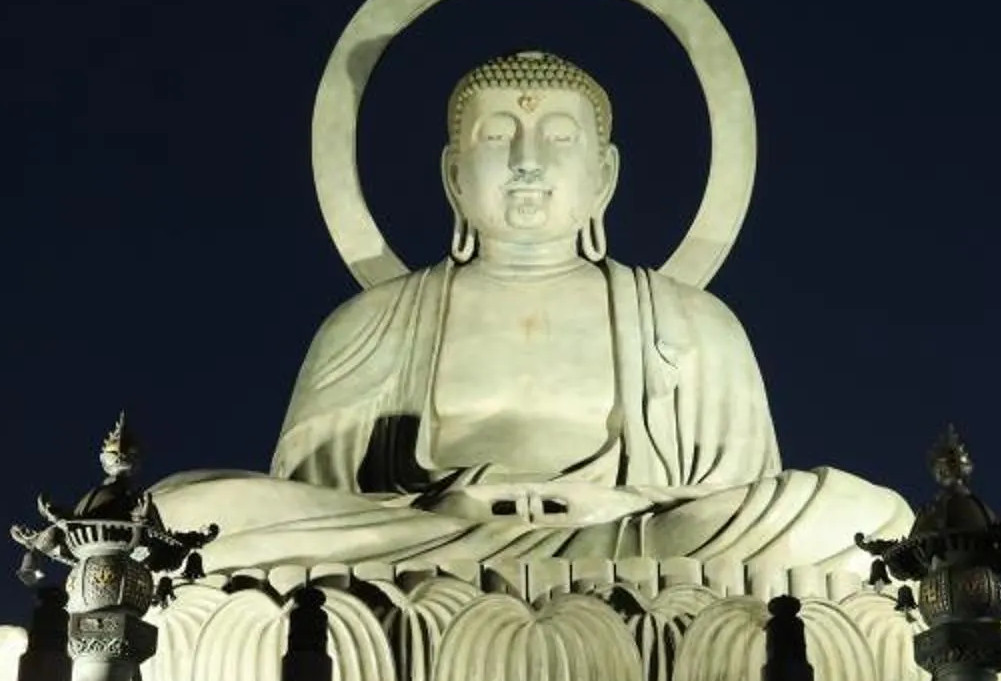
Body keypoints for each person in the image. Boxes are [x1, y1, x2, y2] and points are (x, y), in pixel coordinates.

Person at [157, 52, 912, 576]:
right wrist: (452, 507)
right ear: (454, 176)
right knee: (180, 515)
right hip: (419, 549)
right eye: (495, 137)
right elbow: (317, 508)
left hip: (637, 547)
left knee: (872, 520)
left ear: (604, 174)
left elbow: (735, 495)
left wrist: (615, 507)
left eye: (558, 138)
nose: (527, 159)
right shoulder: (369, 323)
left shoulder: (691, 323)